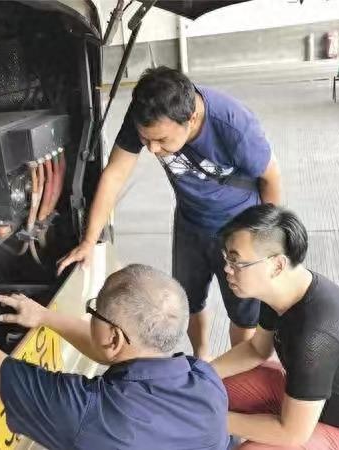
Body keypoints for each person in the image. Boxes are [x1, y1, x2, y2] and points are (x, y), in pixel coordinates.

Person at [58, 66, 282, 360]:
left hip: (239, 229)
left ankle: (233, 374)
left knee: (243, 311)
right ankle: (201, 358)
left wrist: (265, 243)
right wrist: (88, 241)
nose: (151, 148)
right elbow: (114, 174)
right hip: (190, 223)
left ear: (191, 119)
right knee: (189, 300)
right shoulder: (146, 115)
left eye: (161, 140)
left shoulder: (234, 127)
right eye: (146, 139)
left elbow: (272, 179)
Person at [0, 264, 232, 450]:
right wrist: (45, 318)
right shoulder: (206, 380)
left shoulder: (90, 412)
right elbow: (113, 349)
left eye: (94, 309)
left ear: (113, 335)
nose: (92, 314)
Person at [212, 204, 339, 449]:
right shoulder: (282, 290)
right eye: (227, 258)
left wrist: (211, 419)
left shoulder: (315, 336)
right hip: (311, 403)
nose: (227, 269)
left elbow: (291, 435)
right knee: (212, 390)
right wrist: (198, 374)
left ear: (276, 265)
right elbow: (257, 350)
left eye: (237, 262)